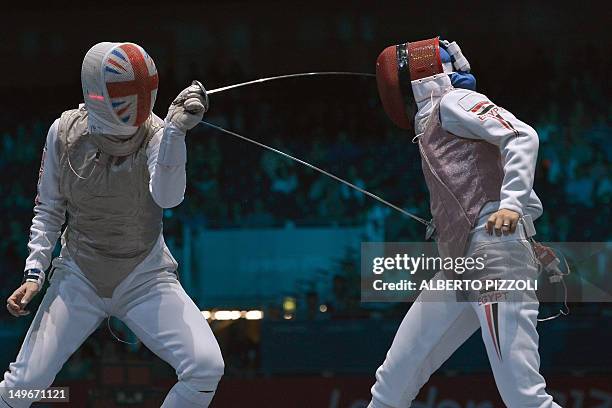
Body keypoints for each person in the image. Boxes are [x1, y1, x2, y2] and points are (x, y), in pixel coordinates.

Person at [1, 42, 223, 408]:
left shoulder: (157, 134)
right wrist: (34, 273)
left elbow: (168, 198)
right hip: (79, 275)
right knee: (21, 387)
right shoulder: (63, 132)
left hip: (144, 276)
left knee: (206, 367)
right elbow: (49, 208)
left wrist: (175, 135)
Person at [370, 37, 561, 407]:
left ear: (417, 75)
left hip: (493, 257)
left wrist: (511, 206)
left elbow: (522, 136)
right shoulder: (434, 119)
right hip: (461, 262)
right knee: (393, 379)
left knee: (523, 396)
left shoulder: (453, 101)